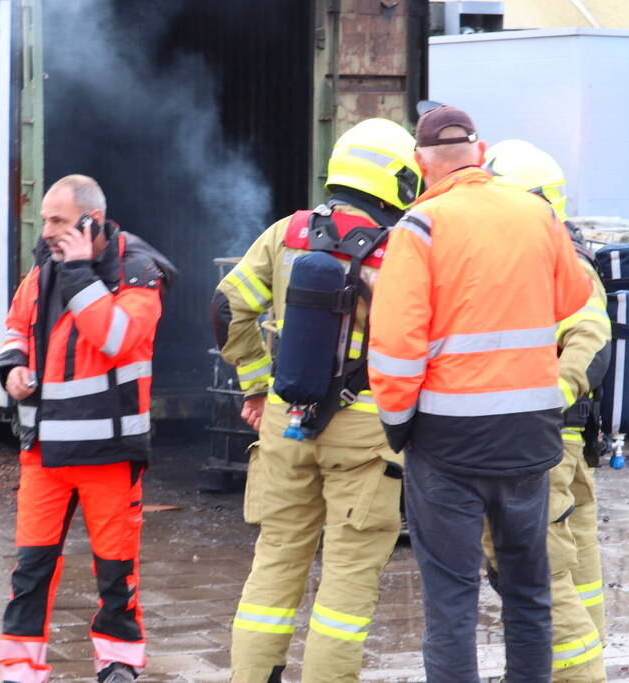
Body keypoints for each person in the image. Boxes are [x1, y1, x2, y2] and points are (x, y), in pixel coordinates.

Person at [367, 105, 593, 682]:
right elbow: (571, 298)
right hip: (529, 434)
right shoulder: (537, 213)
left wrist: (398, 423)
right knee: (529, 590)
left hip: (447, 441)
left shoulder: (419, 227)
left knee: (452, 601)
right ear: (481, 151)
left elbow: (395, 346)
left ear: (420, 163)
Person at [212, 118, 423, 682]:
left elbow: (226, 308)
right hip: (366, 438)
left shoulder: (288, 233)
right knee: (346, 588)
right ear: (399, 181)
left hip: (285, 424)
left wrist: (257, 384)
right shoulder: (405, 249)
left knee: (274, 567)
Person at [0, 174, 174, 683]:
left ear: (91, 222)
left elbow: (116, 337)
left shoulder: (138, 272)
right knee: (31, 568)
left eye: (58, 221)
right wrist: (12, 368)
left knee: (116, 570)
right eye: (45, 219)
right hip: (43, 452)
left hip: (108, 452)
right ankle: (20, 668)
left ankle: (119, 662)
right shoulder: (43, 269)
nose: (47, 230)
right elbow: (16, 326)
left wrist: (77, 271)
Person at [482, 139, 612, 681]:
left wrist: (540, 403)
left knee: (542, 576)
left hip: (544, 444)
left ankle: (579, 672)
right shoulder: (550, 252)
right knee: (575, 570)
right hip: (563, 440)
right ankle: (581, 666)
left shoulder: (559, 261)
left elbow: (590, 340)